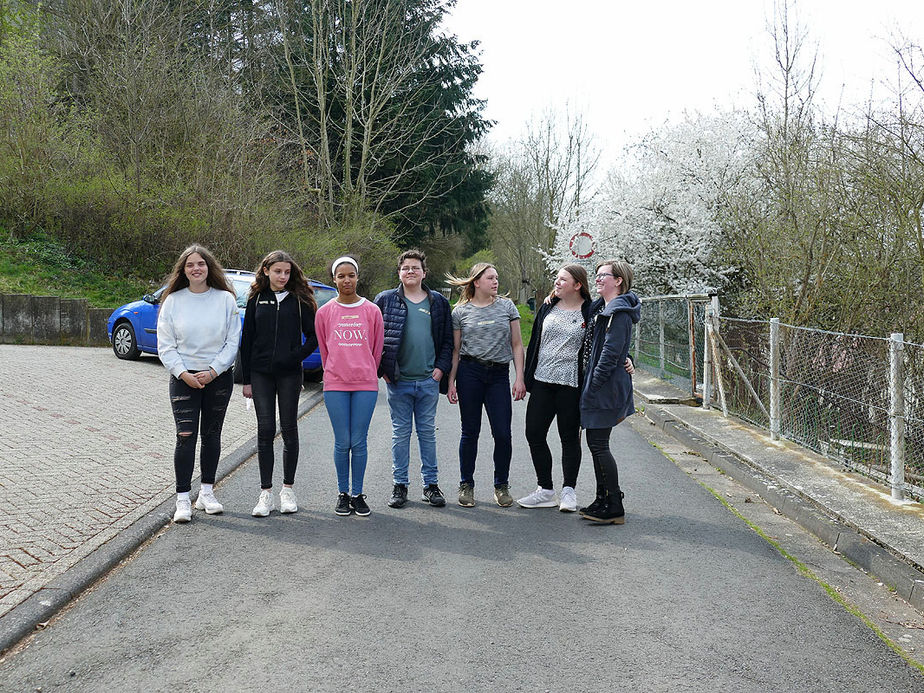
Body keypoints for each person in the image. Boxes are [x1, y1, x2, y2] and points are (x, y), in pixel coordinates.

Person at [518, 266, 636, 513]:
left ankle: (568, 491)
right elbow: (536, 341)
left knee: (569, 438)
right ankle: (545, 490)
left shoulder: (591, 310)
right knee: (534, 433)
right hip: (542, 381)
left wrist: (628, 357)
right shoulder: (548, 306)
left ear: (577, 285)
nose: (557, 282)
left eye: (562, 279)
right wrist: (524, 377)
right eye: (556, 279)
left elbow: (607, 337)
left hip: (571, 385)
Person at [157, 244, 241, 524]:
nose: (196, 268)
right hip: (183, 379)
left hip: (217, 378)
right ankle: (183, 498)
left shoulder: (225, 300)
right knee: (185, 437)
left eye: (201, 264)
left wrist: (214, 370)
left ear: (209, 268)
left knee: (212, 435)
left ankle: (206, 492)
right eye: (190, 264)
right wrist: (184, 374)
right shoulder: (173, 301)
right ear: (183, 270)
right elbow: (165, 346)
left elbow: (232, 341)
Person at [240, 250, 318, 517]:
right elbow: (246, 340)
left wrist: (293, 357)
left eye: (286, 272)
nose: (283, 276)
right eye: (277, 271)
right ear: (266, 271)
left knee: (288, 428)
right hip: (260, 374)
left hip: (289, 375)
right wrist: (246, 380)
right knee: (265, 429)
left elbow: (313, 338)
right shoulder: (256, 299)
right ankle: (265, 494)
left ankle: (288, 490)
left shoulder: (299, 300)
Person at [374, 250, 453, 509]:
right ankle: (400, 485)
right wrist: (383, 370)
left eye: (415, 268)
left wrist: (441, 369)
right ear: (399, 272)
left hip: (428, 380)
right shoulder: (385, 300)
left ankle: (431, 485)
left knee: (427, 434)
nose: (410, 271)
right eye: (406, 267)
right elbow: (374, 339)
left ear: (424, 273)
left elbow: (447, 341)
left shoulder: (438, 302)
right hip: (399, 381)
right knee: (400, 434)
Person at [446, 263, 526, 508]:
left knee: (502, 433)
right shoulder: (460, 312)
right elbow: (456, 350)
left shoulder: (507, 307)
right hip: (470, 373)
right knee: (470, 432)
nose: (495, 282)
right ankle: (466, 484)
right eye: (491, 278)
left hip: (499, 375)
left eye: (497, 277)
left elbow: (517, 345)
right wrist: (451, 381)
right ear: (476, 281)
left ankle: (501, 485)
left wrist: (519, 377)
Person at [315, 256, 384, 517]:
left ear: (358, 277)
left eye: (351, 275)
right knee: (343, 441)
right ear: (334, 279)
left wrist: (368, 370)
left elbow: (377, 349)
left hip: (365, 383)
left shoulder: (371, 310)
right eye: (341, 276)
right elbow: (324, 349)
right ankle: (343, 493)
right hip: (335, 384)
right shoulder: (324, 313)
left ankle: (358, 494)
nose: (347, 280)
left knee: (359, 441)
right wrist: (334, 372)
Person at [579, 259, 641, 524]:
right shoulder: (600, 308)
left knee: (598, 444)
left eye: (603, 275)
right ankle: (602, 498)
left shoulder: (619, 312)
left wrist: (592, 388)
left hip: (604, 388)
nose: (598, 278)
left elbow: (610, 353)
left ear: (618, 281)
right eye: (597, 275)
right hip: (598, 385)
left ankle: (613, 504)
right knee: (596, 443)